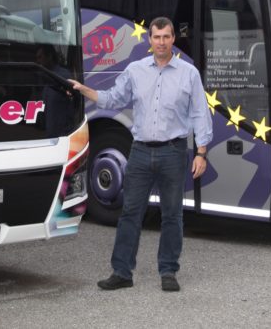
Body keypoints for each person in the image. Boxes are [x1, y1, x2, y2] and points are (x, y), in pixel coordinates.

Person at [69, 16, 212, 292]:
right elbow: (114, 98)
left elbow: (199, 114)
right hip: (140, 152)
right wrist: (86, 91)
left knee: (172, 215)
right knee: (130, 213)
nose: (161, 42)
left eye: (166, 37)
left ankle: (168, 271)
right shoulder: (135, 71)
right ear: (150, 40)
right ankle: (122, 272)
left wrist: (201, 152)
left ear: (173, 39)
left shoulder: (189, 73)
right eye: (157, 37)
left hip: (173, 152)